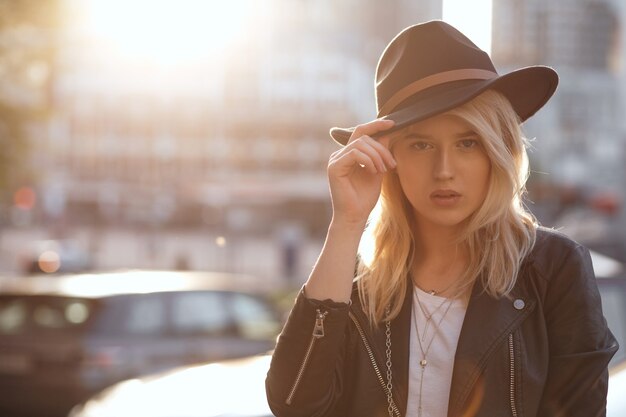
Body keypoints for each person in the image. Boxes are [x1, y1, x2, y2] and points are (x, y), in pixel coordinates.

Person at [265, 20, 618, 417]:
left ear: (497, 152)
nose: (444, 169)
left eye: (468, 142)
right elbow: (294, 404)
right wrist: (346, 224)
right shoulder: (359, 287)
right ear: (391, 160)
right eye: (421, 144)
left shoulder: (554, 270)